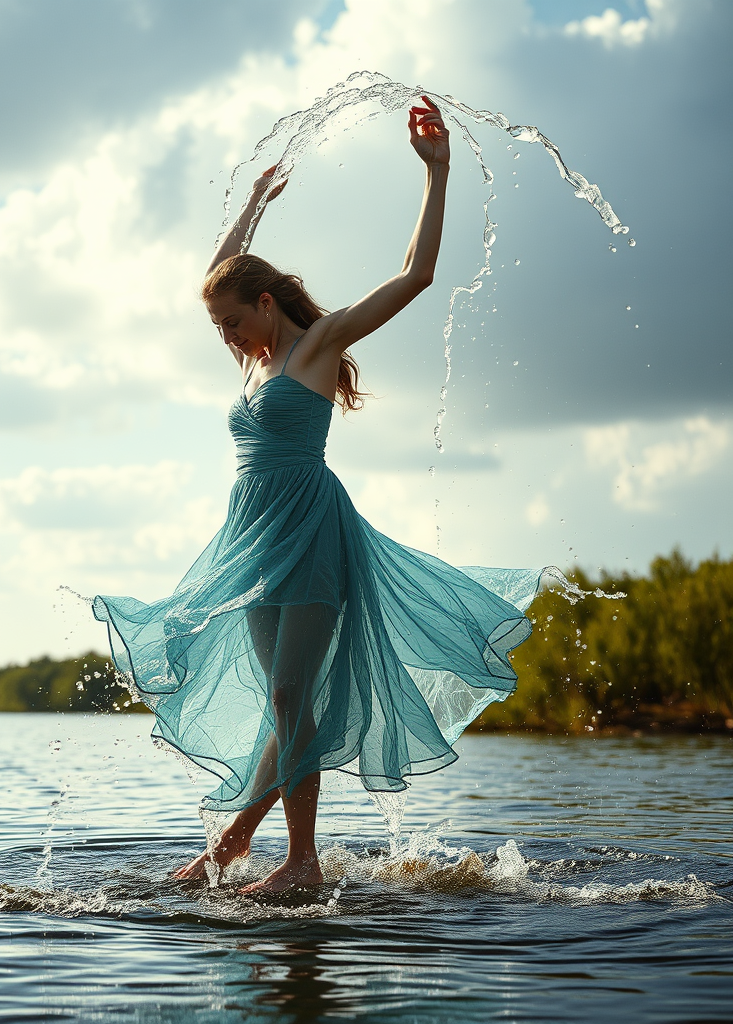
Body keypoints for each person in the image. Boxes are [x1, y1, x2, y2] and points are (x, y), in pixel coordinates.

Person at [93, 96, 546, 895]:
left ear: (265, 304)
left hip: (311, 533)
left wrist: (437, 174)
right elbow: (220, 276)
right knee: (283, 702)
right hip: (253, 542)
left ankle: (298, 862)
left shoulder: (315, 345)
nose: (225, 340)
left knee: (292, 695)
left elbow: (417, 274)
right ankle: (237, 847)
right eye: (221, 330)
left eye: (232, 324)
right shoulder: (251, 359)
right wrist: (254, 207)